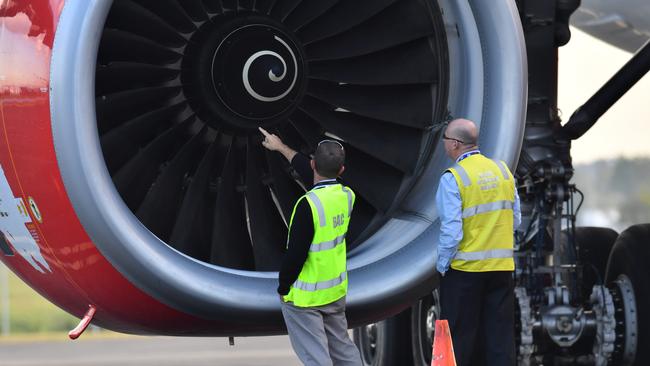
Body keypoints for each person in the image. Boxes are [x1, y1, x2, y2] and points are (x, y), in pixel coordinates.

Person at [259, 127, 362, 366]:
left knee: (317, 358)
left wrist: (284, 287)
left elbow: (296, 254)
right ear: (342, 170)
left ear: (313, 163)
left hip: (305, 297)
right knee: (343, 351)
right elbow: (317, 176)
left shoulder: (308, 206)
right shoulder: (346, 195)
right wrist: (281, 147)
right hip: (334, 290)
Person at [435, 118, 521, 366]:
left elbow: (452, 232)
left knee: (458, 342)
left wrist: (442, 266)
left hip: (465, 271)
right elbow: (515, 219)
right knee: (499, 341)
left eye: (445, 140)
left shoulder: (454, 178)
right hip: (501, 269)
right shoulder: (503, 171)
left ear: (455, 144)